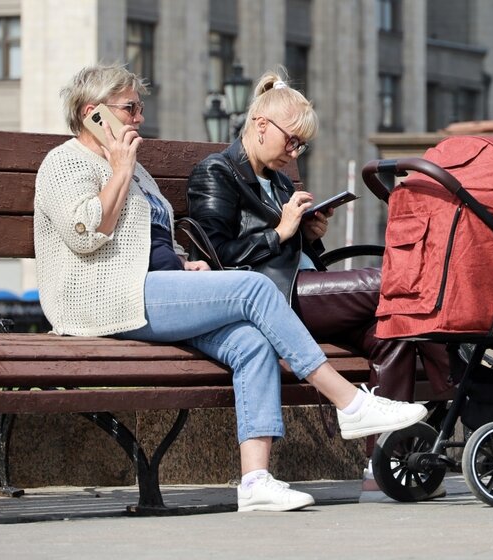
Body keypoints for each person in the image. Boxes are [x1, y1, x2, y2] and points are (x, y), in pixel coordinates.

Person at [33, 63, 428, 512]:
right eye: (130, 108)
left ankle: (255, 481)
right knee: (253, 290)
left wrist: (187, 265)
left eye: (140, 107)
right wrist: (121, 170)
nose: (140, 117)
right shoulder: (66, 163)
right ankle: (350, 403)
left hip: (153, 290)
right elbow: (86, 236)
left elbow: (148, 242)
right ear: (93, 114)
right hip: (103, 300)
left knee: (250, 342)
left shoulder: (134, 172)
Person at [186, 68, 450, 411]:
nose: (295, 153)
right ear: (261, 124)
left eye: (301, 145)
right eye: (292, 141)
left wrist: (308, 235)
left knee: (393, 333)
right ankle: (461, 385)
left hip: (305, 290)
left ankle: (385, 459)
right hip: (270, 298)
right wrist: (281, 231)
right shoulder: (216, 172)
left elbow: (289, 250)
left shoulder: (279, 181)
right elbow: (217, 256)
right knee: (391, 279)